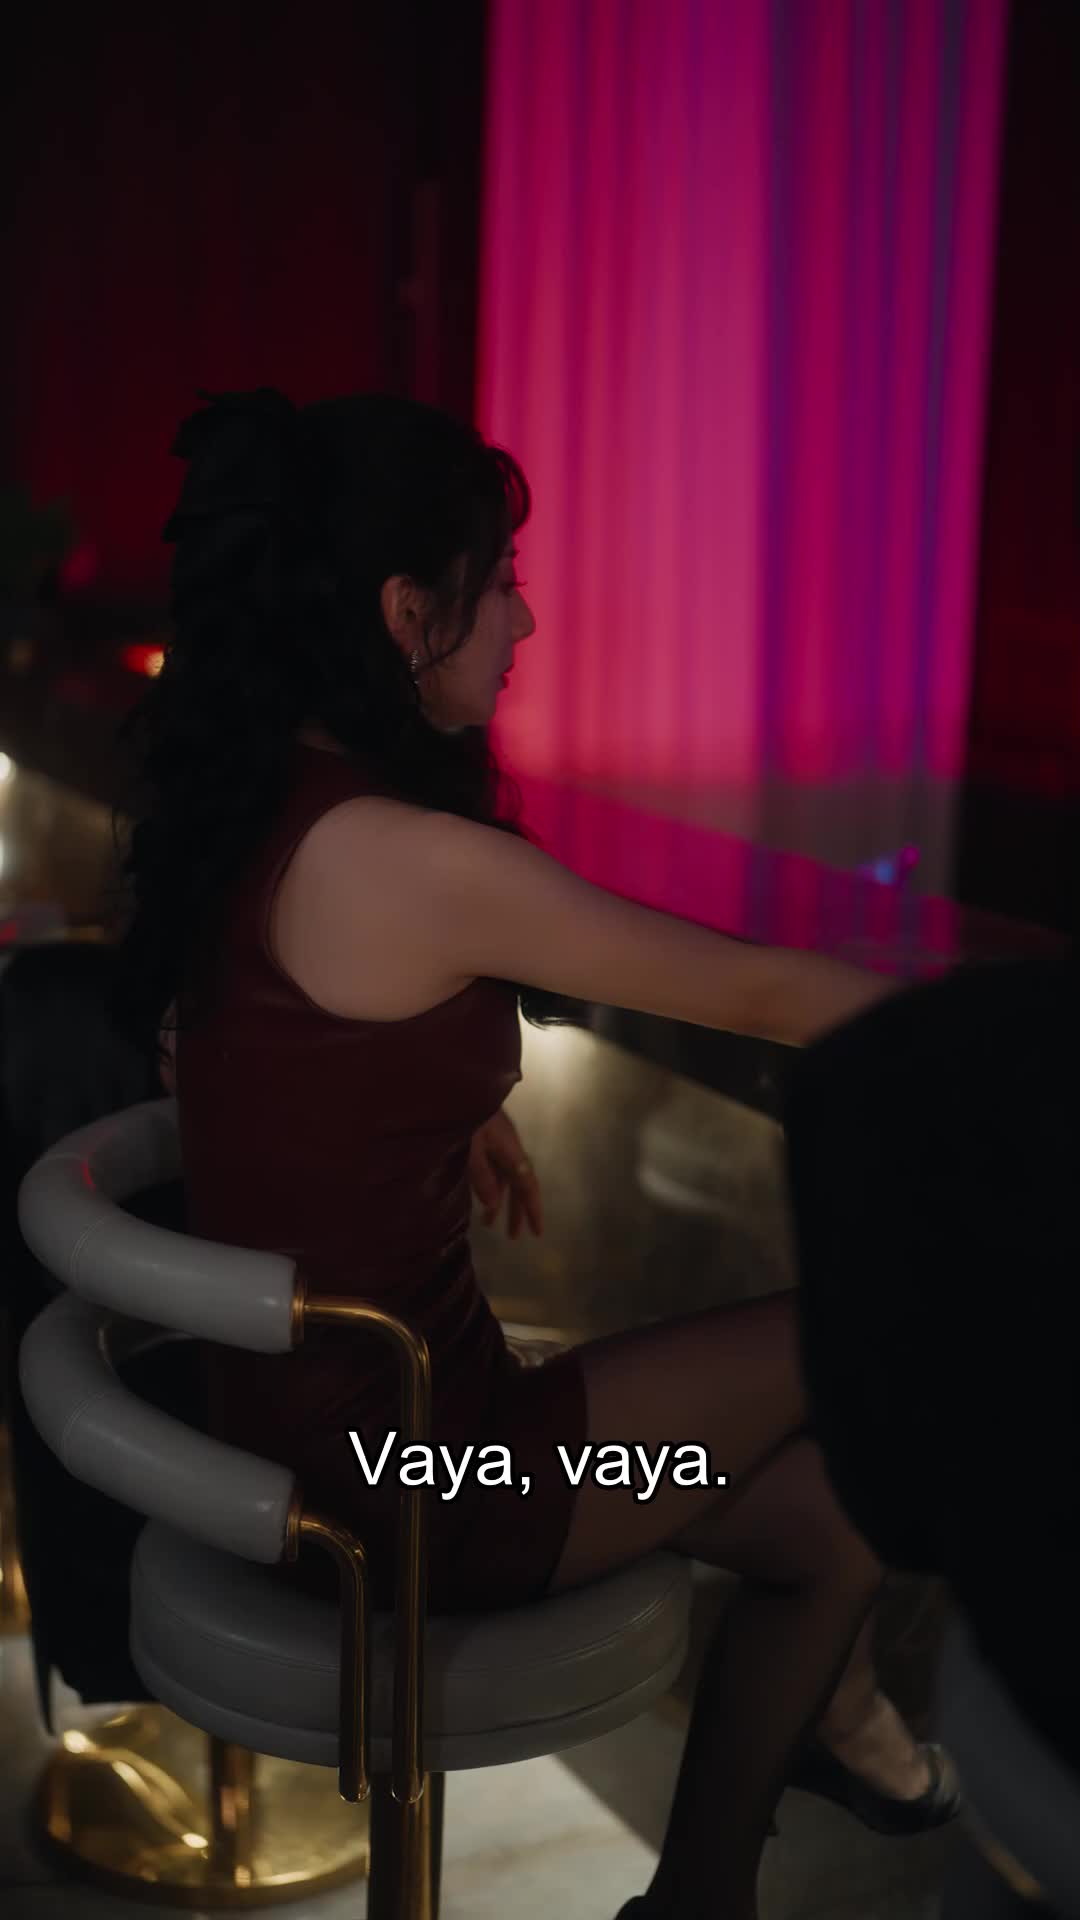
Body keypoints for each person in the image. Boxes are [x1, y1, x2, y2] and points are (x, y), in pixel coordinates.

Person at [107, 388, 957, 1920]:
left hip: (308, 1451)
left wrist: (444, 1102)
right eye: (499, 582)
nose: (528, 618)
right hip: (428, 1480)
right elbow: (769, 994)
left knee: (830, 1520)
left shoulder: (258, 801)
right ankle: (832, 1742)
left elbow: (259, 1043)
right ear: (405, 614)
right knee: (882, 1330)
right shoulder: (416, 861)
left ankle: (704, 1893)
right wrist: (1015, 1041)